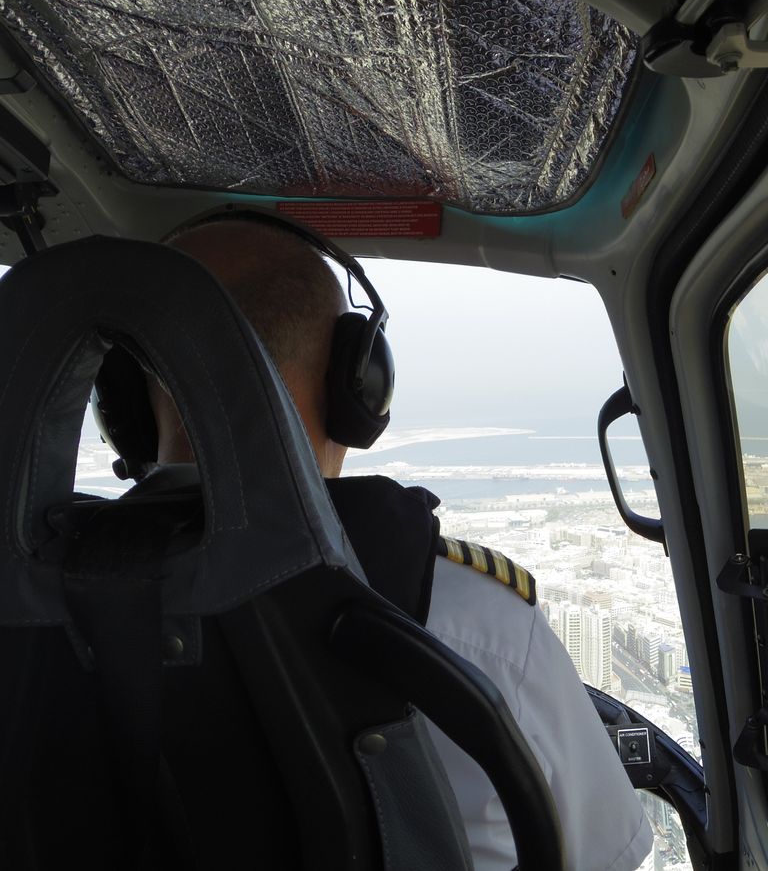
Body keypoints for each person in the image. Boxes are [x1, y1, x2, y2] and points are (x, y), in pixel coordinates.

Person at [148, 217, 654, 871]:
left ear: (124, 405)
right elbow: (603, 855)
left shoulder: (41, 612)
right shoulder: (478, 627)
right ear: (355, 389)